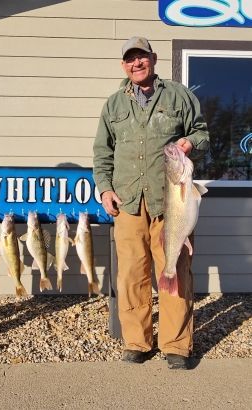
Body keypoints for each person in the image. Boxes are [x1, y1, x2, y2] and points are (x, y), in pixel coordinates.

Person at [93, 36, 209, 370]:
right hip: (127, 201)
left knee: (176, 269)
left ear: (153, 59)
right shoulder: (114, 105)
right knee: (131, 274)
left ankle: (176, 344)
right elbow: (103, 153)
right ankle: (137, 342)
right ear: (123, 65)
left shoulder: (178, 96)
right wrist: (105, 189)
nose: (136, 64)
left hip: (170, 199)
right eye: (130, 59)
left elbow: (202, 135)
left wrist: (190, 142)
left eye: (141, 57)